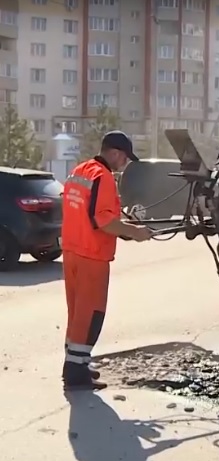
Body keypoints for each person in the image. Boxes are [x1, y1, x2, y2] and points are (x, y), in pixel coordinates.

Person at [61, 130, 153, 390]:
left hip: (72, 251)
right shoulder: (103, 176)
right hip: (92, 255)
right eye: (124, 158)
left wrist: (123, 221)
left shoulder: (80, 171)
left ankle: (76, 364)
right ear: (114, 153)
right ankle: (76, 376)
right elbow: (102, 220)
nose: (125, 164)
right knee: (91, 315)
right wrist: (136, 232)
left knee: (77, 313)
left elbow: (88, 212)